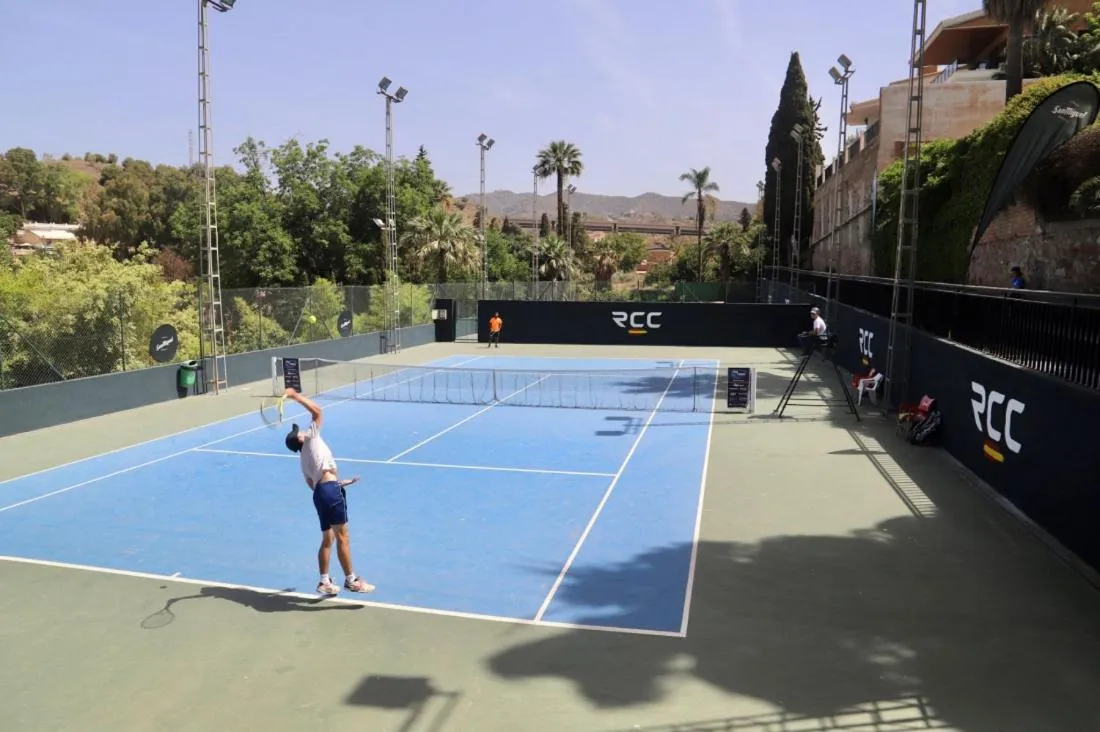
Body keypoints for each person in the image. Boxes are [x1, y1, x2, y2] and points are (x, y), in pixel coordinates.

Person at [283, 387, 374, 596]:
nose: (304, 430)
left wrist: (337, 483)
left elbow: (312, 484)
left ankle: (324, 581)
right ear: (299, 439)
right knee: (343, 537)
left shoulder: (303, 461)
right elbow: (318, 412)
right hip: (330, 491)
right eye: (300, 432)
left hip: (321, 494)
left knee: (328, 539)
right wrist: (294, 395)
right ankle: (351, 580)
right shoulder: (311, 439)